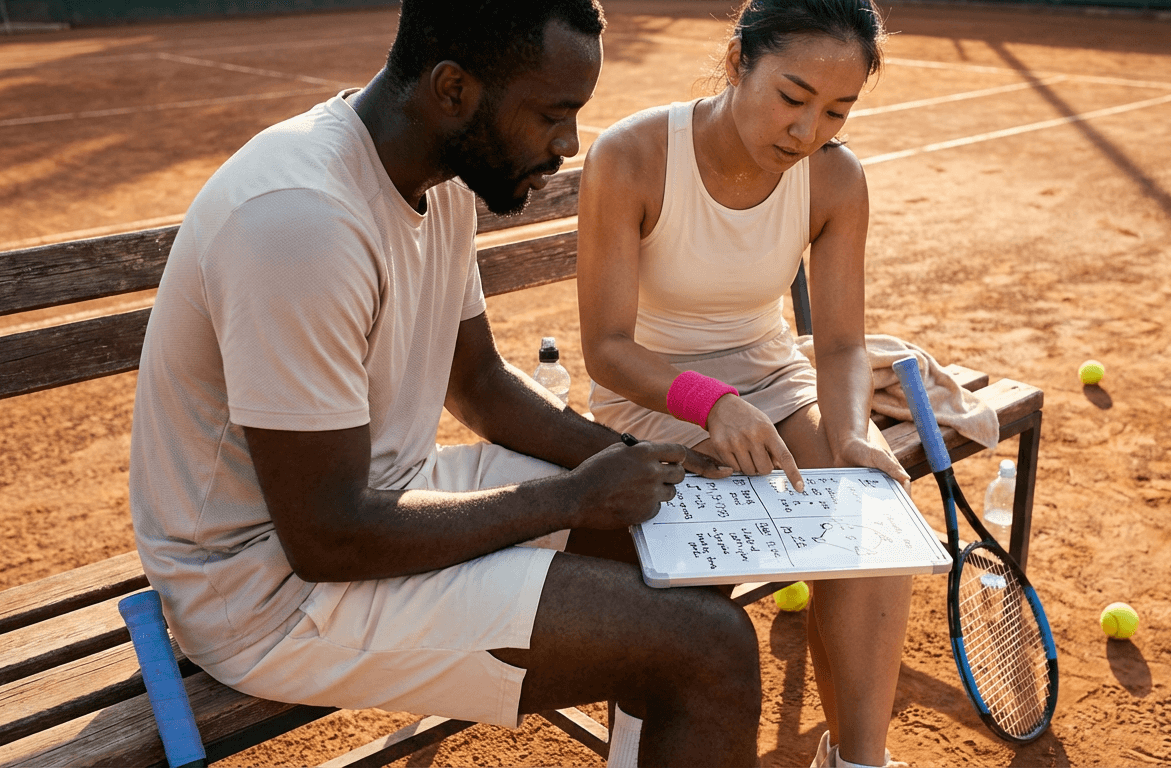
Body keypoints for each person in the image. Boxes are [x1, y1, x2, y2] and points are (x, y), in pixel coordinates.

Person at [127, 2, 763, 765]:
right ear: (453, 90)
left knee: (681, 533)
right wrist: (571, 497)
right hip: (262, 591)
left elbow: (481, 382)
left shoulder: (443, 171)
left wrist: (629, 458)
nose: (568, 144)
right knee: (708, 647)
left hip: (384, 498)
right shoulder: (300, 220)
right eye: (553, 114)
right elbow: (327, 537)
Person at [575, 1, 912, 767]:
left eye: (837, 110)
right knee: (693, 576)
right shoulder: (632, 155)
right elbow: (605, 347)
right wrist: (710, 403)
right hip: (651, 395)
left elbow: (840, 342)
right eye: (793, 98)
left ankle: (858, 761)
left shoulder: (835, 179)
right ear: (738, 63)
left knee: (868, 516)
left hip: (771, 380)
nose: (809, 131)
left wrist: (853, 432)